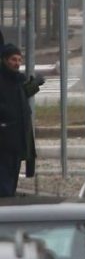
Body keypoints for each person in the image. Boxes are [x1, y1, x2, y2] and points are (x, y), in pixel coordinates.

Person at [0, 45, 41, 197]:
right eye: (13, 59)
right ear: (4, 60)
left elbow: (22, 95)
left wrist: (35, 85)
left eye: (19, 60)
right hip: (3, 146)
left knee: (10, 187)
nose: (16, 63)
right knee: (4, 189)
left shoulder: (18, 80)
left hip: (17, 146)